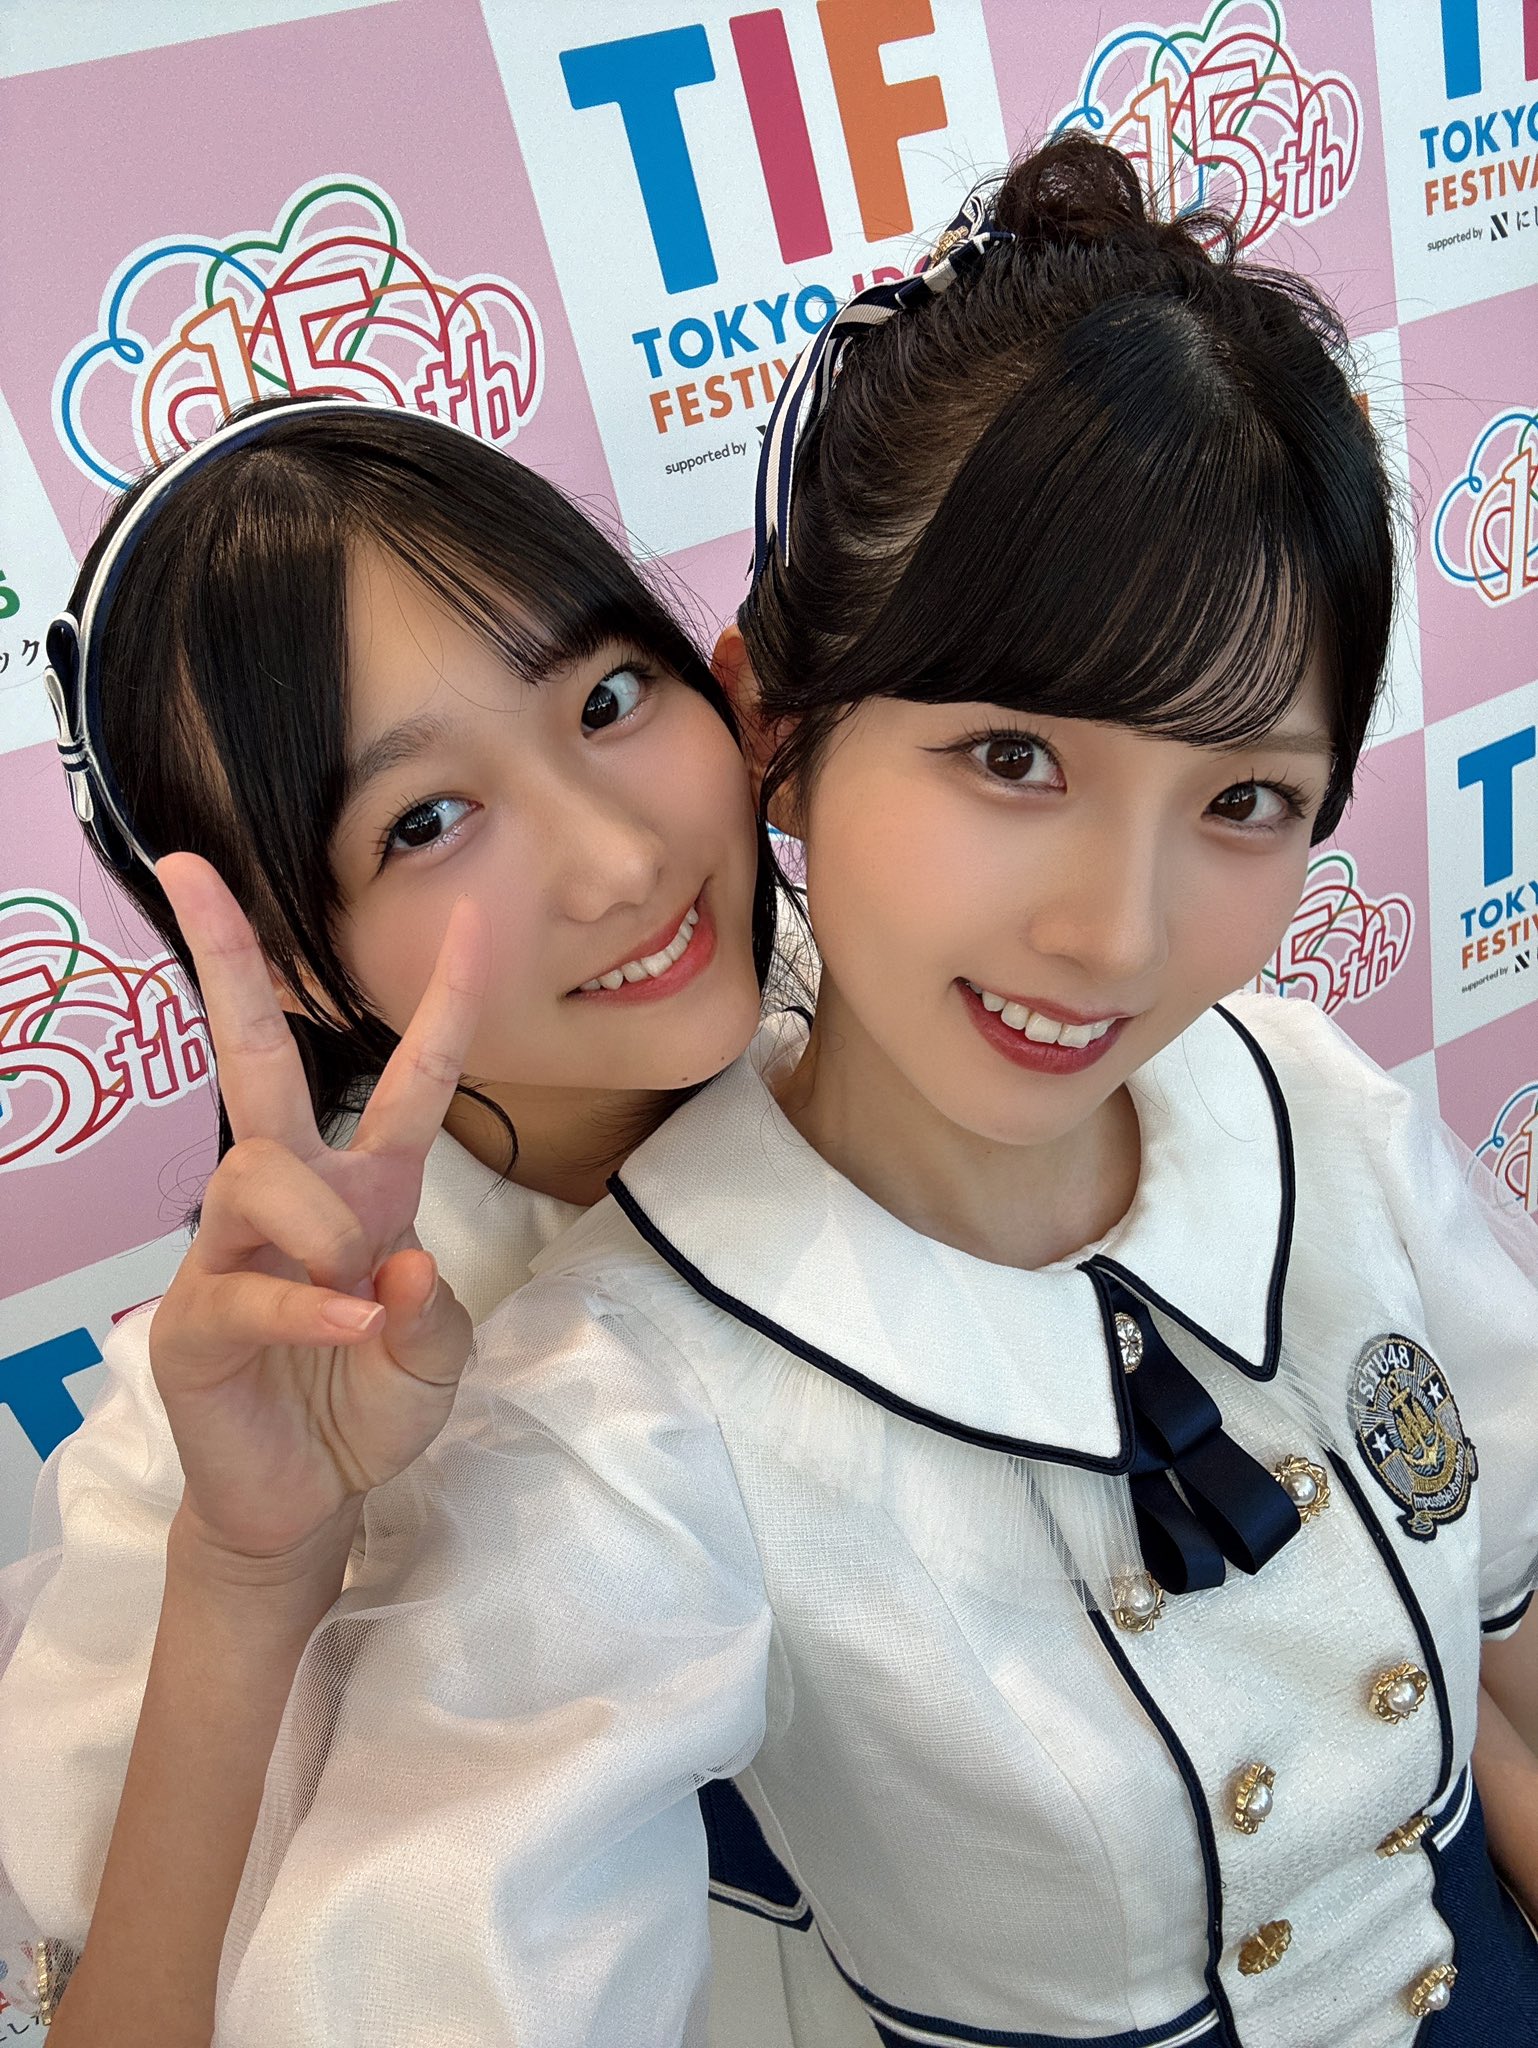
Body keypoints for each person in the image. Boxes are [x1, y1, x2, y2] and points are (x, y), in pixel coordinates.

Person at [199, 137, 1536, 2046]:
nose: (1113, 936)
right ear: (781, 726)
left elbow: (1504, 1634)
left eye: (1244, 799)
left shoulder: (1303, 1103)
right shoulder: (622, 1411)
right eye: (1011, 757)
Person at [0, 395, 794, 2041]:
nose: (618, 861)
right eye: (425, 821)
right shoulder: (225, 1428)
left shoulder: (959, 1037)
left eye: (606, 697)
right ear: (289, 962)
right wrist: (252, 1567)